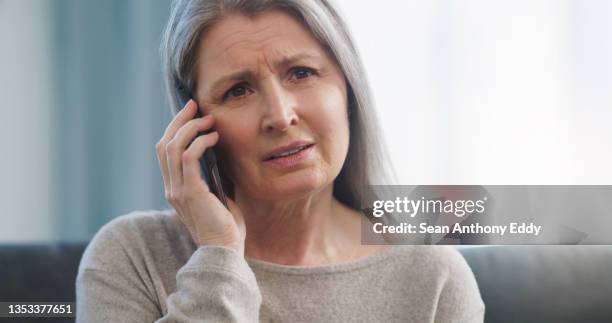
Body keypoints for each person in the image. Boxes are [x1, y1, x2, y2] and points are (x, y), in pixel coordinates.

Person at [76, 0, 485, 322]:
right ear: (193, 125)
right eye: (238, 90)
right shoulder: (132, 255)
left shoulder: (433, 278)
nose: (280, 115)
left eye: (302, 73)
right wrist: (220, 254)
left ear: (348, 91)